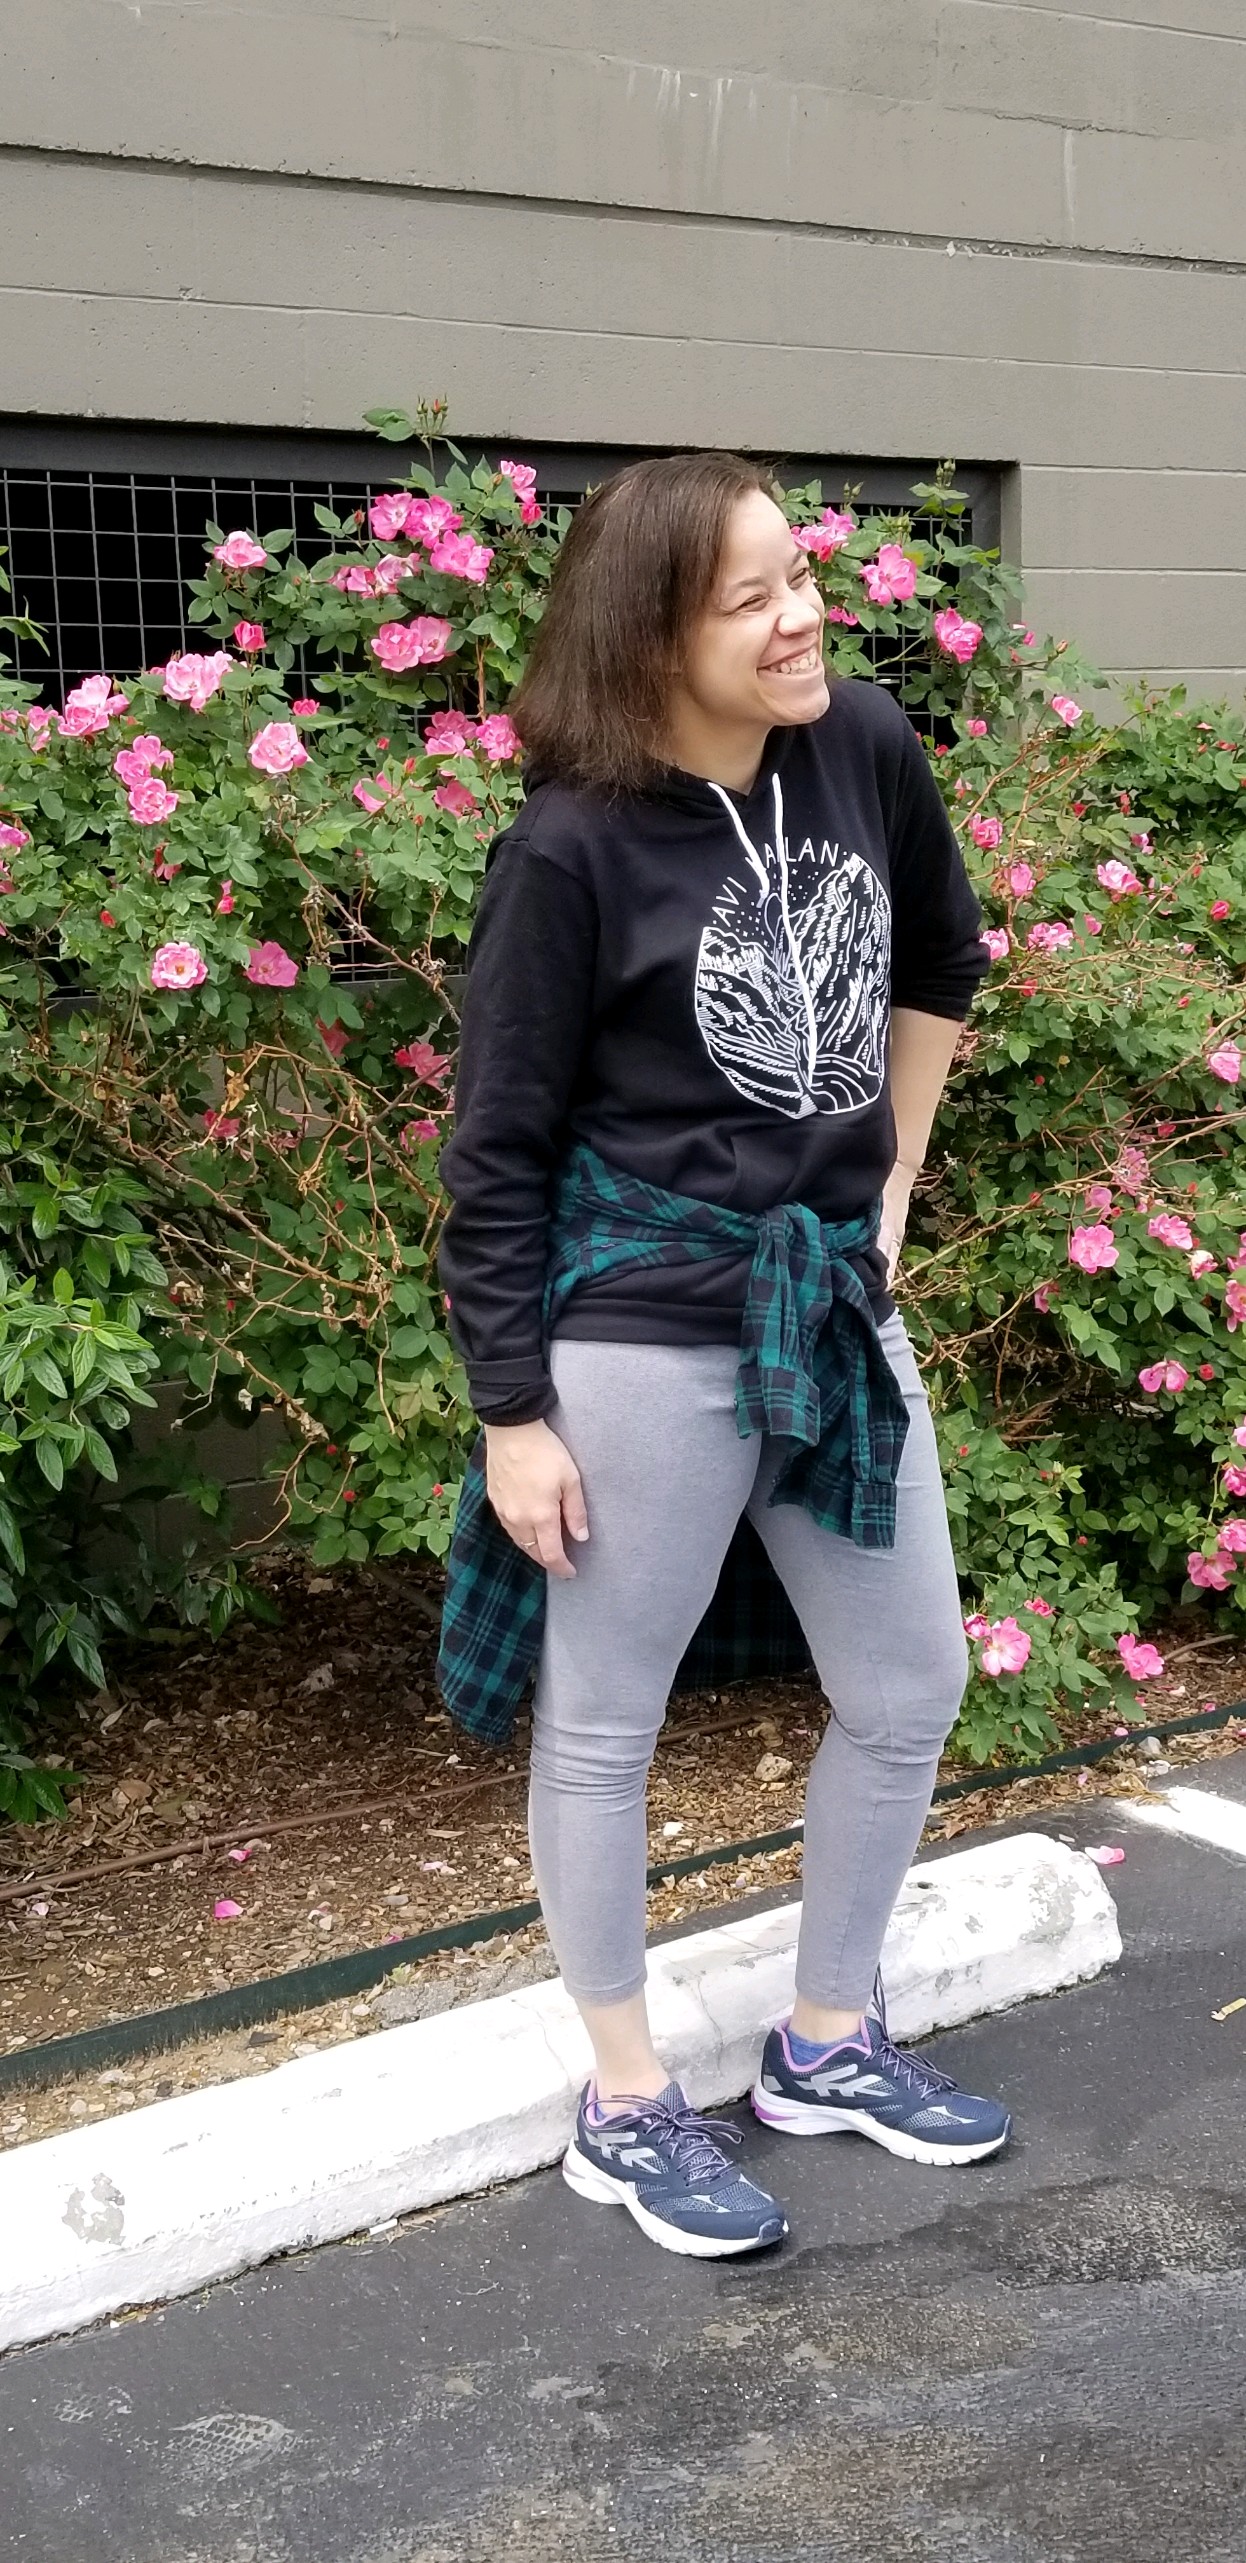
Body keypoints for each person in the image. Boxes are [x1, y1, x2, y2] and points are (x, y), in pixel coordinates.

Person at [438, 452, 1011, 2261]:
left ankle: (825, 2041)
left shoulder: (861, 747)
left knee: (907, 1681)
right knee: (605, 1721)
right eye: (749, 598)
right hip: (640, 1324)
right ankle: (624, 2104)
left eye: (800, 576)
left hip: (827, 1303)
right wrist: (512, 1415)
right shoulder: (569, 848)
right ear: (649, 637)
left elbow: (940, 959)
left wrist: (890, 1184)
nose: (800, 618)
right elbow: (495, 1151)